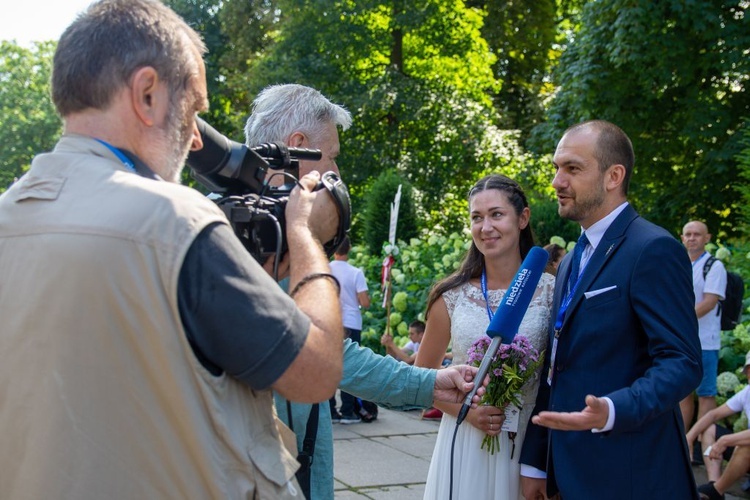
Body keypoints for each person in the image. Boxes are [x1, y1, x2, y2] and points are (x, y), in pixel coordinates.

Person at [0, 1, 346, 497]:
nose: (195, 137)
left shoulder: (9, 216)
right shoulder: (175, 223)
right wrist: (307, 238)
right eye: (194, 111)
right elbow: (315, 375)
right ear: (146, 94)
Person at [244, 83, 489, 499]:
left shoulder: (231, 221)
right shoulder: (270, 237)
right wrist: (427, 384)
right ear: (297, 147)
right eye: (332, 157)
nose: (336, 174)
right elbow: (335, 357)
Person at [520, 120, 702, 499]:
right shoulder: (572, 259)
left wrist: (613, 409)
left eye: (572, 168)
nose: (556, 181)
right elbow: (558, 362)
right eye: (556, 168)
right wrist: (537, 460)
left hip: (632, 473)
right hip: (571, 471)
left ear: (613, 176)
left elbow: (681, 362)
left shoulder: (652, 248)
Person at [414, 174, 555, 499]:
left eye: (496, 214)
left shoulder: (552, 290)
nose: (485, 227)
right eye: (476, 217)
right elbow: (419, 381)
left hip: (528, 444)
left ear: (522, 218)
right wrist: (467, 412)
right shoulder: (451, 296)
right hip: (466, 439)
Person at [680, 220, 728, 431]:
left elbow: (709, 302)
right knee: (683, 392)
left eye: (697, 234)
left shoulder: (714, 266)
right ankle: (683, 441)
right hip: (683, 339)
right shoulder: (680, 264)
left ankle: (703, 444)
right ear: (682, 238)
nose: (692, 238)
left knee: (706, 393)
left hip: (705, 341)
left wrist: (677, 319)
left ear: (707, 238)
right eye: (688, 234)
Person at [687, 351, 750, 500]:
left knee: (745, 445)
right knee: (709, 429)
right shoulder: (747, 392)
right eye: (748, 370)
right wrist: (689, 437)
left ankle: (715, 490)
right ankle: (714, 486)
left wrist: (725, 440)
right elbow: (712, 415)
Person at [328, 236, 372, 424]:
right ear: (350, 249)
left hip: (331, 321)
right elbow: (364, 302)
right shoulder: (356, 272)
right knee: (350, 366)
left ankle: (330, 409)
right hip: (351, 322)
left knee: (329, 366)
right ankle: (348, 411)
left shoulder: (325, 268)